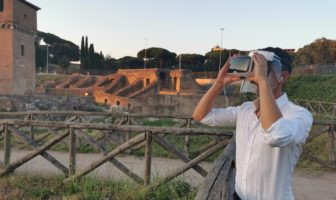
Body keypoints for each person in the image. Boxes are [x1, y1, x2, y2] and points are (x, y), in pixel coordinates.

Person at [193, 47, 313, 200]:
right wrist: (219, 83)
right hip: (238, 196)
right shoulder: (246, 110)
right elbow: (201, 116)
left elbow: (276, 135)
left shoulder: (299, 115)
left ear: (282, 76)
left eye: (262, 68)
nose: (256, 75)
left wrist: (263, 82)